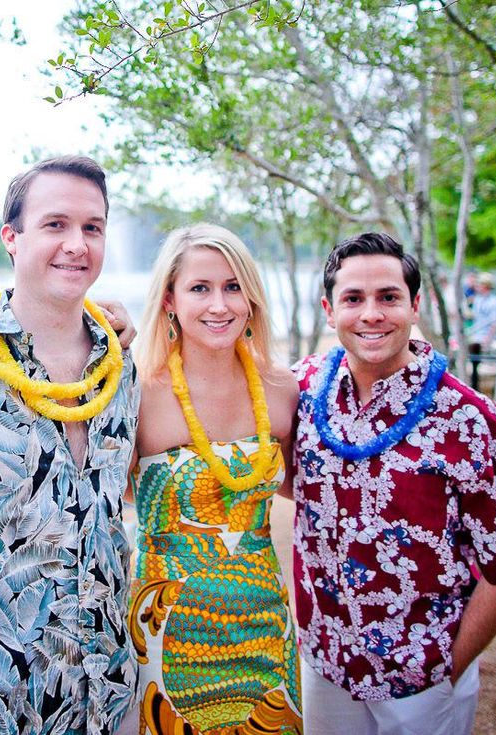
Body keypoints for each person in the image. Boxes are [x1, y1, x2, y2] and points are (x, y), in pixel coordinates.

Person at [0, 155, 139, 735]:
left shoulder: (118, 365)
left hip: (104, 689)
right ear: (11, 238)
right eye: (55, 224)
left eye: (92, 227)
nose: (76, 244)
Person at [292, 232, 496, 735]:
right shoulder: (303, 388)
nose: (371, 314)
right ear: (329, 310)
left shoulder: (470, 420)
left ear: (415, 305)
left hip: (422, 679)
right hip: (325, 664)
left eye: (388, 297)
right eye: (353, 299)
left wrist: (448, 670)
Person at [127, 223, 303, 734]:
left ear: (251, 297)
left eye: (232, 287)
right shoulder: (138, 390)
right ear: (169, 300)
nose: (219, 305)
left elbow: (306, 486)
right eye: (200, 288)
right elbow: (101, 496)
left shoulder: (282, 387)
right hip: (167, 624)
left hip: (263, 619)